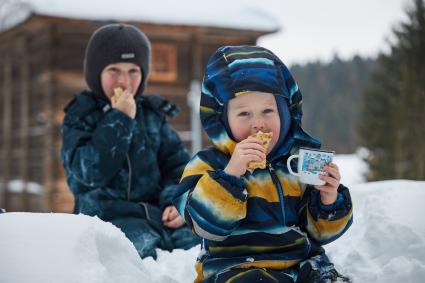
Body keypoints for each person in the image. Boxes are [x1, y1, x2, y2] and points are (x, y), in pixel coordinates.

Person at [173, 45, 353, 282]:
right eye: (244, 114)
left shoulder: (297, 164)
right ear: (222, 120)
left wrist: (328, 200)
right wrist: (230, 175)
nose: (258, 123)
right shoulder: (207, 165)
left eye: (268, 110)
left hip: (301, 266)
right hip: (236, 269)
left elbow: (320, 233)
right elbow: (203, 224)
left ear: (285, 114)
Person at [60, 23, 200, 259]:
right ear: (96, 73)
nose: (124, 81)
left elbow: (178, 167)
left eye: (133, 70)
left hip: (158, 217)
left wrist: (176, 202)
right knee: (138, 258)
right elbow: (89, 172)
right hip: (106, 219)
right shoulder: (80, 115)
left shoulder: (152, 115)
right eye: (114, 70)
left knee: (201, 249)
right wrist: (120, 119)